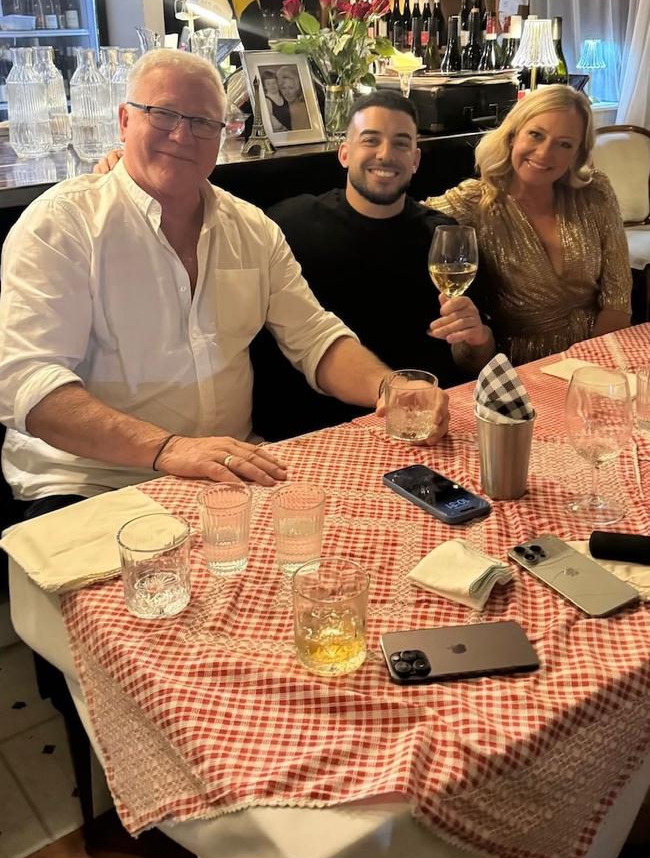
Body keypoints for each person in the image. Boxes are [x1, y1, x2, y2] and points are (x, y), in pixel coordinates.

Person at [0, 52, 450, 516]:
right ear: (124, 120)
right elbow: (29, 385)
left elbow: (316, 339)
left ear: (220, 136)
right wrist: (170, 448)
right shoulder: (61, 224)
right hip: (91, 484)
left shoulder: (252, 229)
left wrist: (390, 390)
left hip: (231, 470)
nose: (182, 134)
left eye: (202, 122)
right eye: (164, 114)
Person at [251, 91, 493, 440]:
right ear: (345, 153)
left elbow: (474, 359)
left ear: (415, 160)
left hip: (420, 428)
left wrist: (476, 338)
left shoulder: (446, 240)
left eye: (400, 144)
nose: (385, 155)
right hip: (311, 430)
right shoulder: (289, 225)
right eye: (371, 140)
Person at [424, 85, 631, 365]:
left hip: (597, 357)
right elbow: (408, 220)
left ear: (577, 154)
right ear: (512, 135)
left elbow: (618, 301)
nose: (545, 153)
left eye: (564, 144)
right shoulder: (474, 201)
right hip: (521, 370)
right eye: (536, 134)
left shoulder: (595, 192)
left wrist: (589, 368)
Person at [274, 66, 311, 132]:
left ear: (297, 87)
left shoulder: (302, 108)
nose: (287, 92)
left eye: (291, 88)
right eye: (283, 88)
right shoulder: (278, 107)